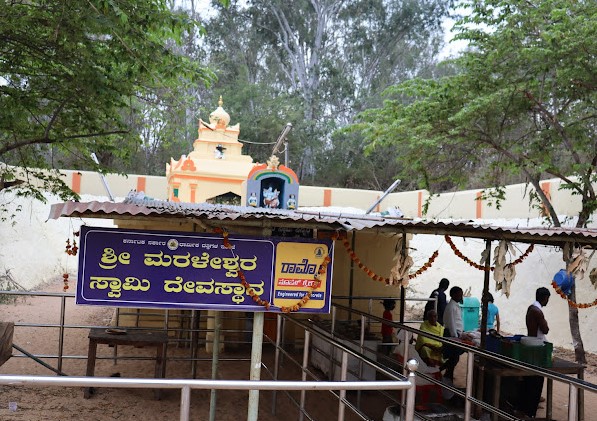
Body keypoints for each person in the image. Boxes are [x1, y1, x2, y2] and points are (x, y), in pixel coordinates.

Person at [516, 287, 551, 418]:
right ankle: (529, 411)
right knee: (536, 380)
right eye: (547, 298)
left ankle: (523, 408)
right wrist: (545, 323)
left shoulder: (531, 308)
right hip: (536, 344)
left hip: (531, 342)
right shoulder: (538, 311)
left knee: (528, 378)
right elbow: (545, 329)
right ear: (544, 297)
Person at [441, 286, 464, 379]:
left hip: (455, 333)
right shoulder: (451, 307)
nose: (461, 297)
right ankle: (444, 372)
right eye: (459, 295)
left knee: (454, 357)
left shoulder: (455, 305)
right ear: (453, 295)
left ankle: (448, 373)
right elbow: (451, 323)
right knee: (454, 357)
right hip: (452, 334)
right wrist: (455, 336)